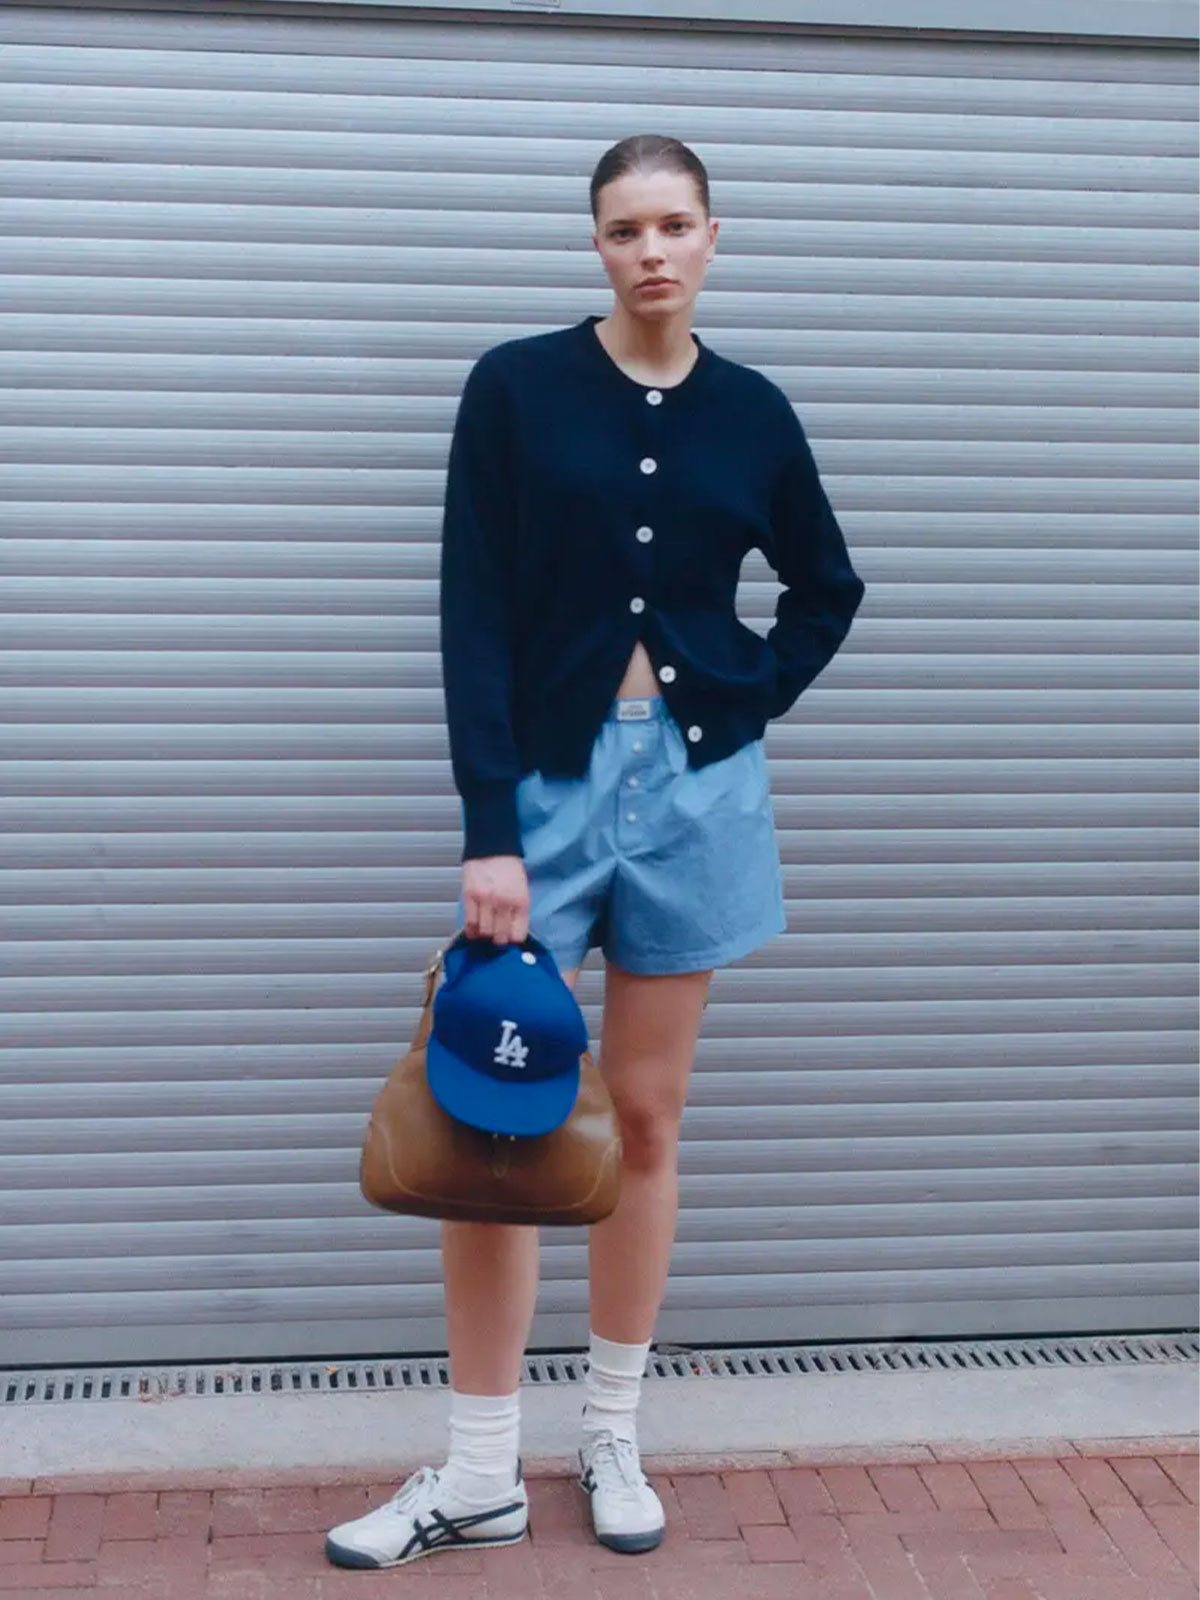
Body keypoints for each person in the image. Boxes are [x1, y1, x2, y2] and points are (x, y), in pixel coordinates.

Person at [325, 133, 864, 1572]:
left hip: (697, 790)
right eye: (626, 229)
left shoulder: (753, 413)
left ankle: (612, 1432)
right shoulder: (516, 388)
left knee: (646, 1118)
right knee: (497, 1118)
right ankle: (478, 1469)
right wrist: (487, 829)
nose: (652, 251)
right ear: (597, 245)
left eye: (675, 224)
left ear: (714, 236)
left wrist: (743, 698)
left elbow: (827, 585)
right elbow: (473, 611)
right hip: (545, 793)